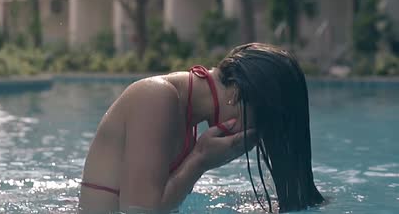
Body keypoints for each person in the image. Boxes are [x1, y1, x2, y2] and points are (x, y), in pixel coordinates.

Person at [78, 43, 324, 213]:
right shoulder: (155, 97)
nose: (251, 137)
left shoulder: (184, 111)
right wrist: (200, 160)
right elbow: (139, 211)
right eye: (259, 125)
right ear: (237, 94)